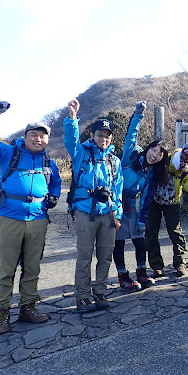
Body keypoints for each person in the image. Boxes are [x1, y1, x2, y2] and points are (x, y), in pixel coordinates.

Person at [0, 101, 62, 334]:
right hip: (9, 217)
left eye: (42, 137)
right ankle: (2, 314)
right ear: (25, 136)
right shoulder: (8, 153)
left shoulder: (48, 163)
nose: (38, 139)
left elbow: (56, 183)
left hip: (38, 219)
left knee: (32, 267)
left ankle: (28, 308)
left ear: (47, 140)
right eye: (33, 135)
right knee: (6, 267)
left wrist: (53, 196)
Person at [64, 99, 123, 313]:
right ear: (92, 135)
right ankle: (82, 296)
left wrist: (117, 215)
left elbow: (117, 190)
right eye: (100, 135)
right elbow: (71, 140)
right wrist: (72, 118)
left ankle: (100, 291)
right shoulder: (81, 154)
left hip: (107, 213)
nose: (103, 140)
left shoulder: (114, 162)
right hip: (85, 211)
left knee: (105, 255)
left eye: (107, 137)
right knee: (84, 255)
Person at [113, 101, 169, 291]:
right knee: (118, 242)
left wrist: (142, 220)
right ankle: (122, 276)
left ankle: (141, 272)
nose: (154, 155)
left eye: (159, 154)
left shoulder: (152, 172)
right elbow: (131, 135)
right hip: (117, 202)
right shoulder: (131, 155)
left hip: (132, 205)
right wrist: (138, 115)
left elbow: (146, 198)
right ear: (148, 148)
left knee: (139, 240)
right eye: (154, 150)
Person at [144, 138, 188, 278]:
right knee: (151, 233)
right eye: (186, 151)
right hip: (154, 200)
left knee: (176, 232)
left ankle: (180, 263)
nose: (187, 155)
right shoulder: (168, 159)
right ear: (182, 149)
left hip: (172, 203)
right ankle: (156, 266)